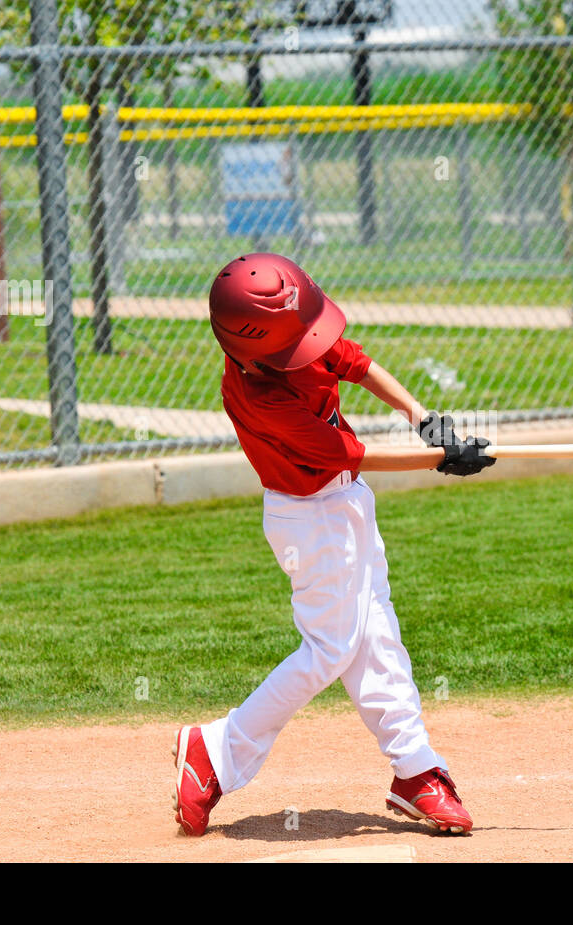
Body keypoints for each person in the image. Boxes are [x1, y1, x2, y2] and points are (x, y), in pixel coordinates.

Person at [172, 253, 495, 838]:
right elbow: (350, 453)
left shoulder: (293, 337)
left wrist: (423, 419)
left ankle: (416, 770)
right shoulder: (257, 396)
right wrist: (443, 460)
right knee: (331, 649)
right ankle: (213, 750)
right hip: (306, 519)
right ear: (258, 348)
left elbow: (358, 363)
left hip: (348, 504)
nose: (313, 345)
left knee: (378, 632)